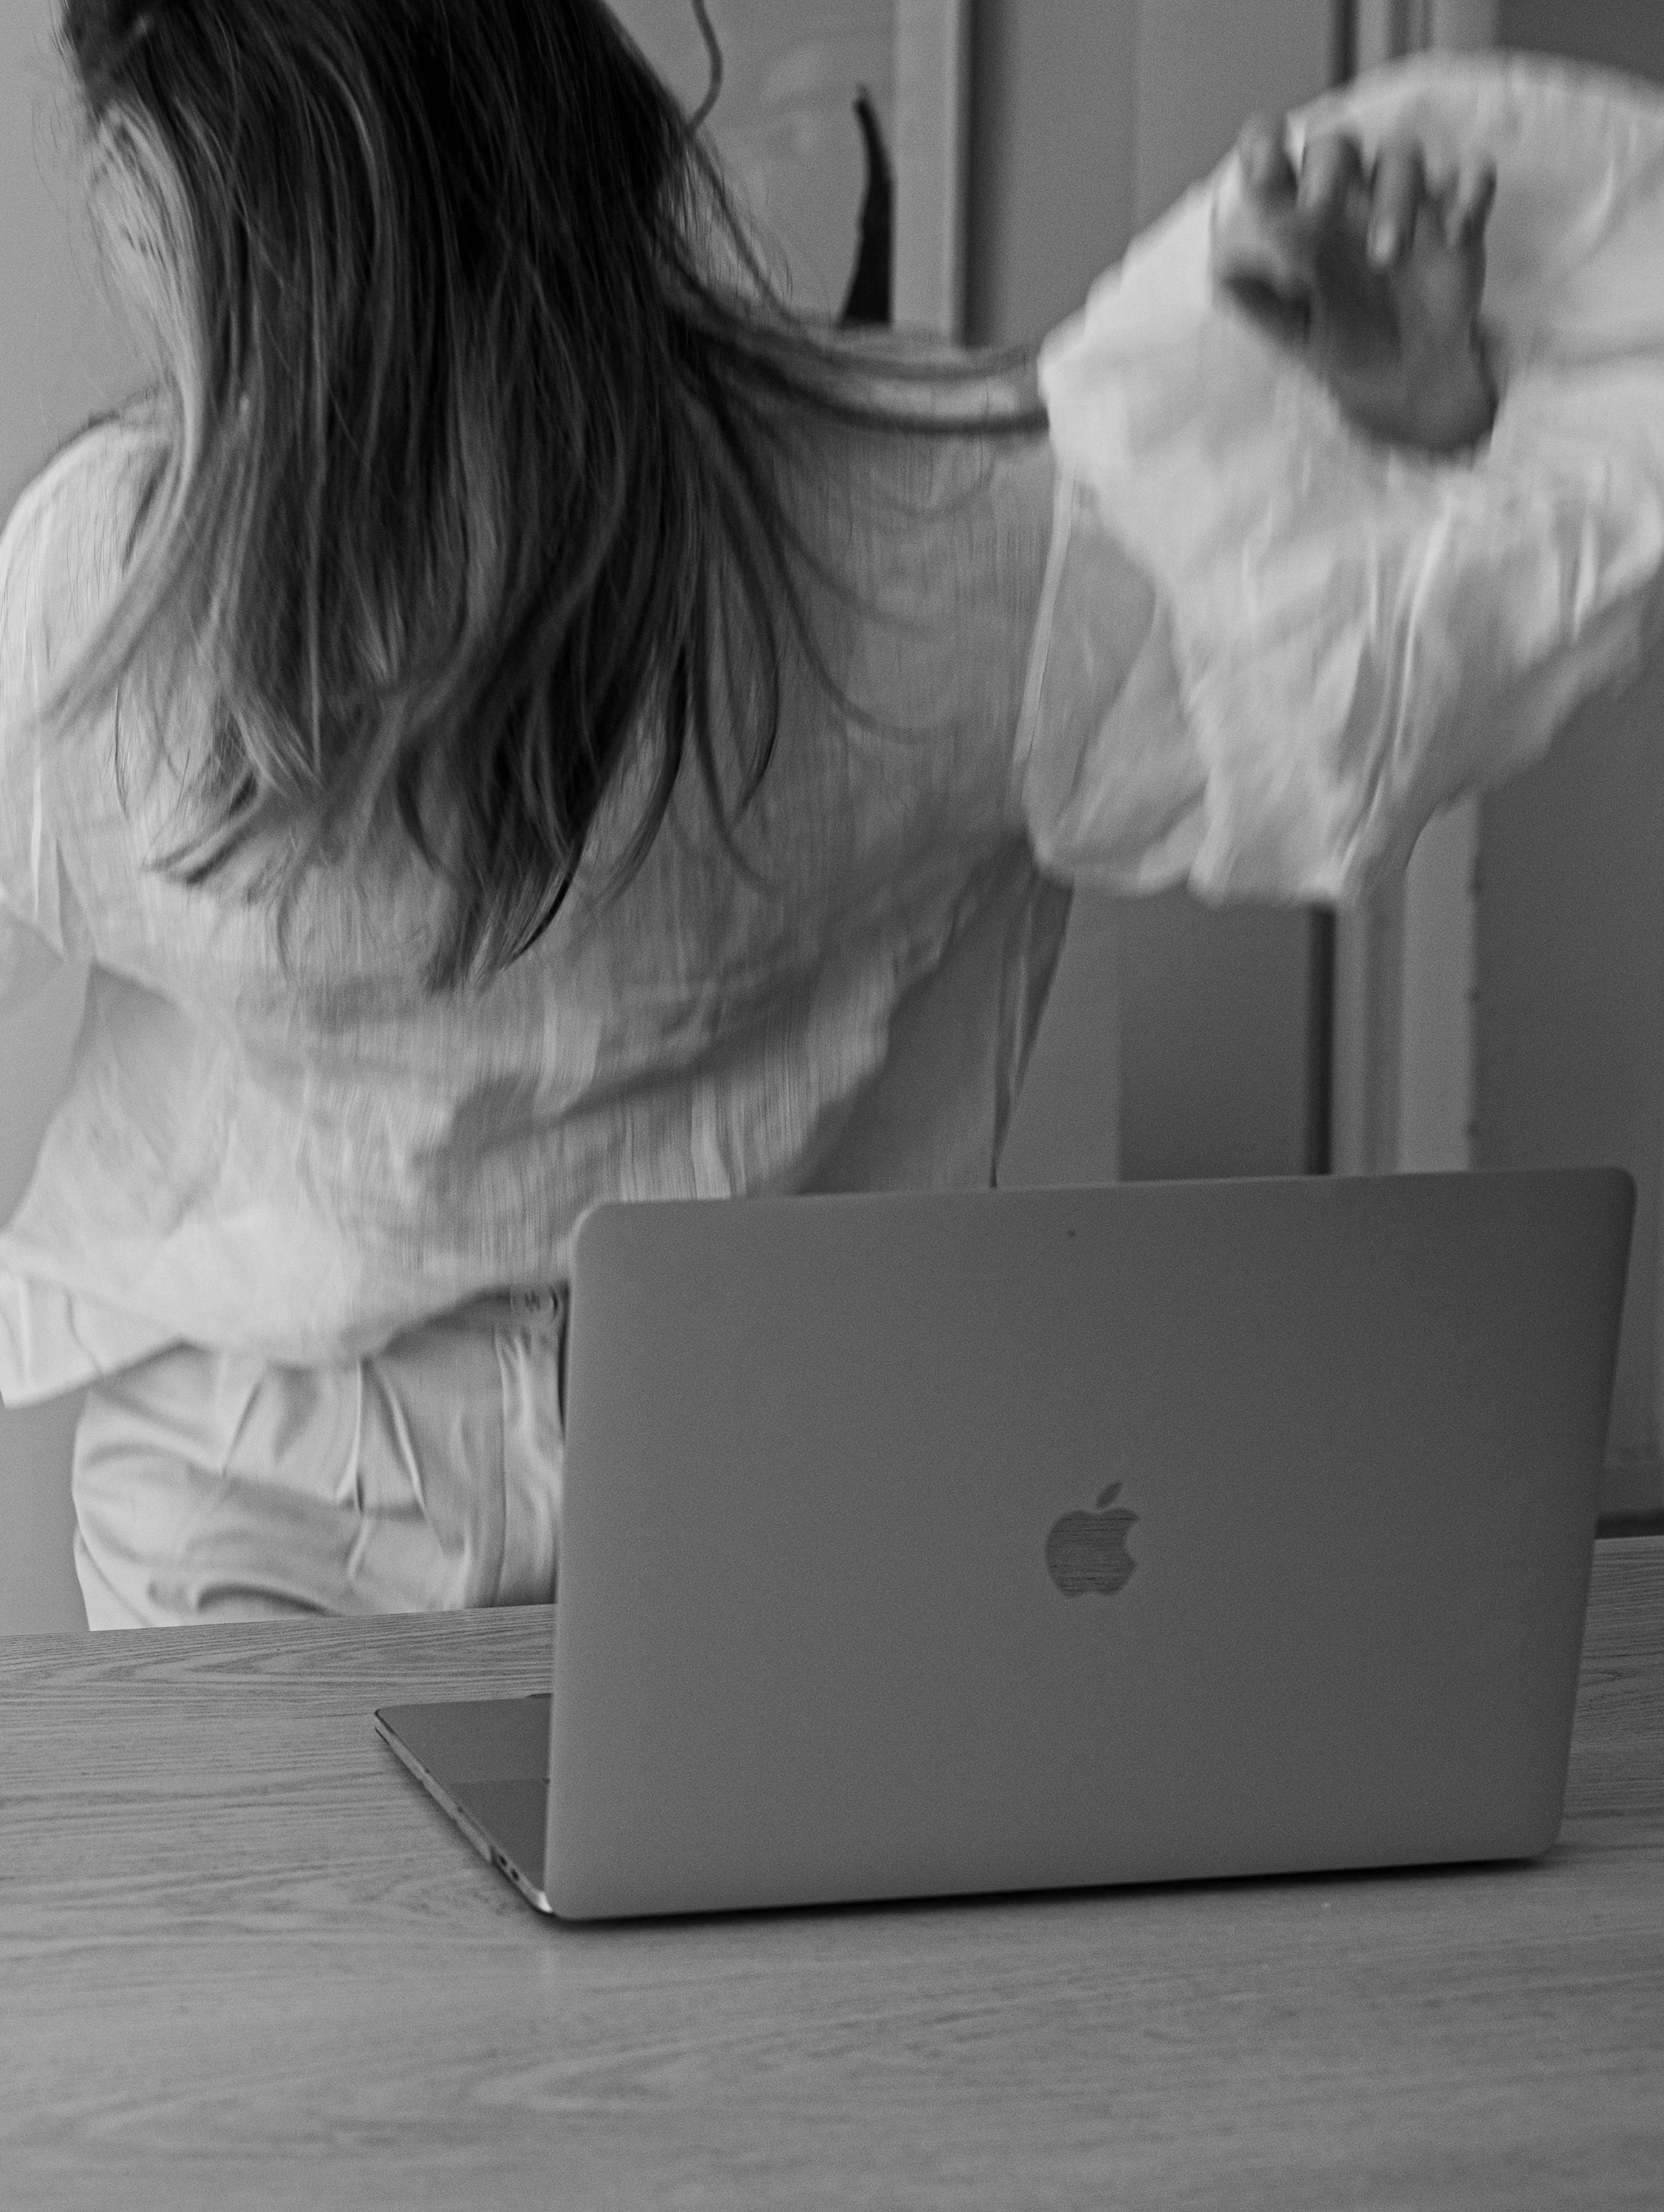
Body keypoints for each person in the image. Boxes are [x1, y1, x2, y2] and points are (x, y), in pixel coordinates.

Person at [0, 0, 1496, 1628]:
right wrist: (1421, 455)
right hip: (285, 1510)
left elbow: (1326, 736)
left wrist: (1406, 452)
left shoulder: (112, 590)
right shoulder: (942, 510)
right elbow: (1344, 736)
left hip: (740, 1491)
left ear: (180, 181)